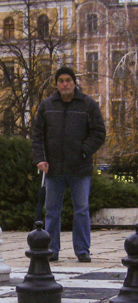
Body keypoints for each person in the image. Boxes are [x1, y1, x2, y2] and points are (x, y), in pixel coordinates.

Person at [32, 66, 106, 263]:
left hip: (79, 169)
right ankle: (51, 250)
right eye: (61, 80)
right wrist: (40, 158)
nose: (65, 84)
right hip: (53, 169)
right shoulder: (46, 105)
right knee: (52, 211)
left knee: (81, 210)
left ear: (74, 83)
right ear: (56, 84)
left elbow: (99, 132)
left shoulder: (88, 105)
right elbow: (37, 135)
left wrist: (83, 150)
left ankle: (82, 250)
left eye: (68, 80)